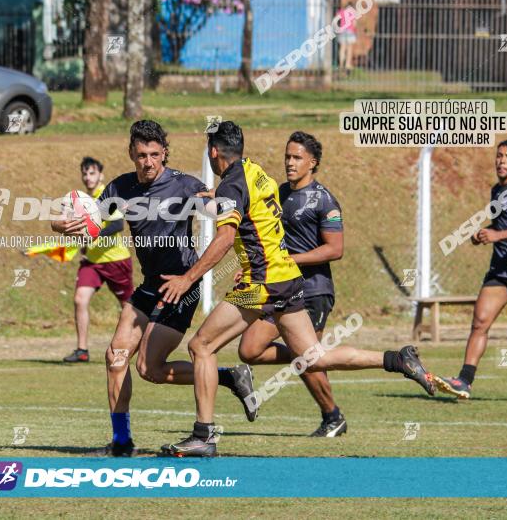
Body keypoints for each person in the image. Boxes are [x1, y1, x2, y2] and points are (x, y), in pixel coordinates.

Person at [158, 120, 436, 457]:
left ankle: (203, 435)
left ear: (213, 152)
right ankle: (396, 359)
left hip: (260, 284)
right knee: (314, 357)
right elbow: (249, 204)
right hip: (286, 278)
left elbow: (226, 237)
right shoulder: (254, 171)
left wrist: (189, 278)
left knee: (202, 345)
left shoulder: (234, 184)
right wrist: (215, 197)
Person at [52, 120, 256, 457]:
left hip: (181, 285)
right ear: (131, 153)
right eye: (142, 154)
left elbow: (216, 213)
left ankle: (224, 376)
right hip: (150, 285)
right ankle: (121, 443)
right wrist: (62, 224)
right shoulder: (121, 187)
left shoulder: (185, 184)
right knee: (116, 357)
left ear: (164, 154)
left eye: (155, 155)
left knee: (148, 367)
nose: (148, 162)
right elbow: (89, 220)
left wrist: (217, 206)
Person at [237, 131, 348, 437]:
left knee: (307, 357)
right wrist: (254, 268)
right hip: (277, 286)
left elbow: (335, 249)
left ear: (312, 162)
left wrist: (290, 261)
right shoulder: (279, 193)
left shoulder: (324, 199)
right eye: (288, 156)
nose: (290, 162)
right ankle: (304, 357)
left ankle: (332, 417)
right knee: (249, 349)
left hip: (314, 291)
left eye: (297, 157)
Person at [435, 140, 507, 399]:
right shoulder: (496, 190)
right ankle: (464, 382)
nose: (501, 161)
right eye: (499, 156)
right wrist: (483, 234)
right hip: (500, 269)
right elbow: (504, 222)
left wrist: (498, 236)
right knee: (480, 322)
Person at [63, 157, 134, 363]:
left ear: (101, 175)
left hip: (115, 260)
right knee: (80, 299)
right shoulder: (82, 200)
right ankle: (82, 350)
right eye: (84, 173)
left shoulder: (109, 194)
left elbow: (117, 225)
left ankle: (143, 341)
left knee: (129, 307)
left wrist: (92, 235)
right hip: (92, 261)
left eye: (92, 173)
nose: (88, 177)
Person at [337, 2, 357, 70]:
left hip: (342, 31)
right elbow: (354, 24)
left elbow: (337, 19)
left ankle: (341, 65)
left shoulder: (342, 11)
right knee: (349, 48)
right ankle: (347, 64)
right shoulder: (353, 12)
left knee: (342, 48)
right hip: (350, 31)